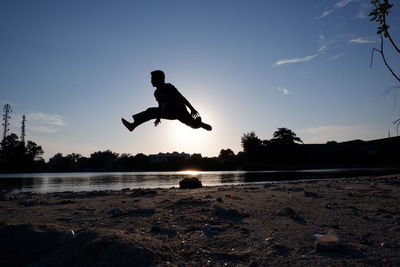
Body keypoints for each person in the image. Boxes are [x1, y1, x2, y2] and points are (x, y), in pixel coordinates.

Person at [121, 70, 212, 132]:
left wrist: (192, 108)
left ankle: (200, 124)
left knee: (191, 124)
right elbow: (160, 105)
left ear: (160, 80)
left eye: (153, 79)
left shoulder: (168, 87)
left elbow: (181, 97)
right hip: (169, 111)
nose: (151, 81)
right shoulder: (156, 93)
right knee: (150, 111)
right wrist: (158, 117)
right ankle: (133, 125)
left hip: (180, 110)